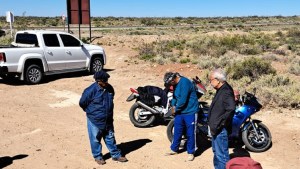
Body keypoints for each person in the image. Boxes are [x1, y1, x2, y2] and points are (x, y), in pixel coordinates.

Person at [79, 71, 128, 165]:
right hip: (95, 120)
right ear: (99, 81)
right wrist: (91, 112)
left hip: (108, 119)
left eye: (107, 80)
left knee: (110, 137)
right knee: (95, 139)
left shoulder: (109, 88)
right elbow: (82, 103)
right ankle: (98, 156)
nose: (107, 82)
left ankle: (116, 155)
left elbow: (111, 98)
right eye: (105, 81)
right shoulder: (90, 91)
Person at [164, 72, 199, 161]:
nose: (170, 85)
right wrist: (173, 105)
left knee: (191, 133)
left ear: (173, 79)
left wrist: (175, 109)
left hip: (190, 111)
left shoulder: (185, 82)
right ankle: (174, 149)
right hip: (180, 111)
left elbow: (183, 100)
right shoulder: (175, 84)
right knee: (177, 130)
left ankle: (191, 152)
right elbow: (175, 96)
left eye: (170, 83)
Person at [208, 69, 236, 169]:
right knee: (216, 153)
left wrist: (220, 123)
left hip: (220, 129)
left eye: (211, 80)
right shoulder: (221, 89)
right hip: (216, 128)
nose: (210, 82)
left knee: (222, 156)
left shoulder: (226, 91)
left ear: (218, 80)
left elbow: (231, 108)